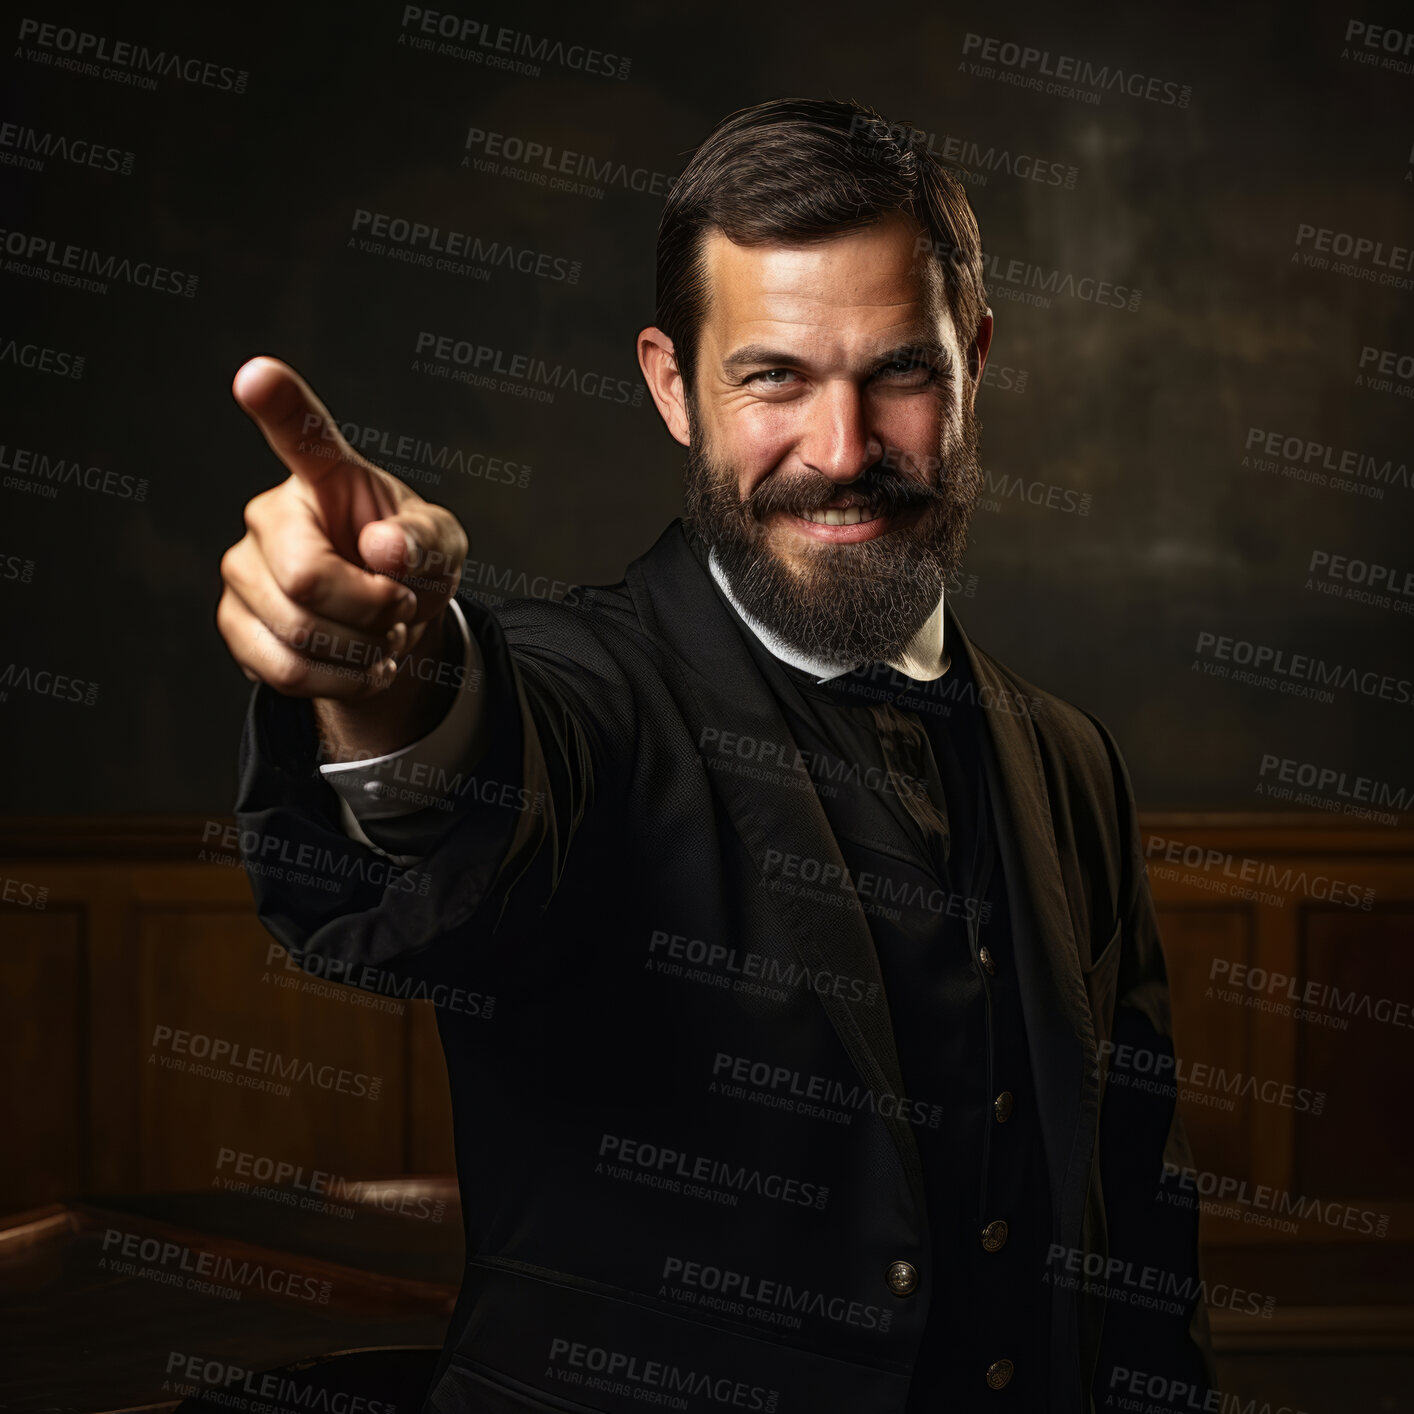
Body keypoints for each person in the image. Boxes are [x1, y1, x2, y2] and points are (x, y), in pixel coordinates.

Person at [218, 97, 1215, 1414]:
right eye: (774, 377)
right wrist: (393, 684)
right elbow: (473, 791)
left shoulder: (1071, 762)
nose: (844, 450)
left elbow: (1139, 1240)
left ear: (975, 361)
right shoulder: (586, 693)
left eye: (901, 371)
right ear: (671, 386)